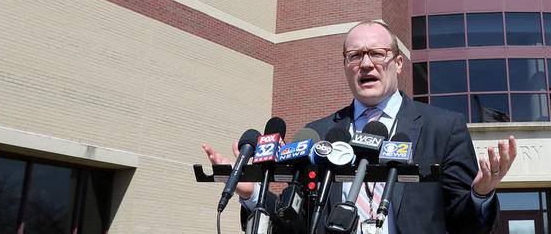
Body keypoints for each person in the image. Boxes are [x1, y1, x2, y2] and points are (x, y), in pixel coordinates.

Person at [203, 20, 517, 233]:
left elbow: (468, 226)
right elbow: (297, 223)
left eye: (376, 54)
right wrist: (253, 193)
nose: (365, 64)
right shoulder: (319, 133)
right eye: (355, 56)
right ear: (345, 66)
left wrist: (480, 193)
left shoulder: (443, 128)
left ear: (396, 63)